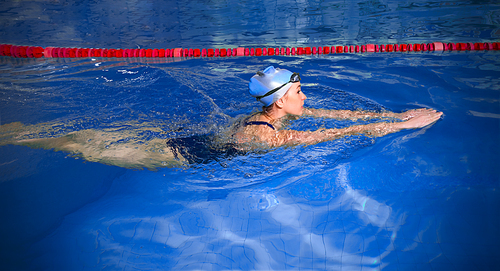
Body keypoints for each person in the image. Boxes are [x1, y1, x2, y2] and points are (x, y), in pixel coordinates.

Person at [0, 66, 442, 170]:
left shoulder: (275, 114)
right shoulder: (264, 135)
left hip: (190, 138)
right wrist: (397, 129)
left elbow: (337, 114)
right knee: (80, 146)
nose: (308, 96)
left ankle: (19, 133)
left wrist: (396, 114)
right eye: (300, 91)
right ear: (283, 100)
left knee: (83, 138)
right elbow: (324, 137)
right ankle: (16, 138)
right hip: (177, 155)